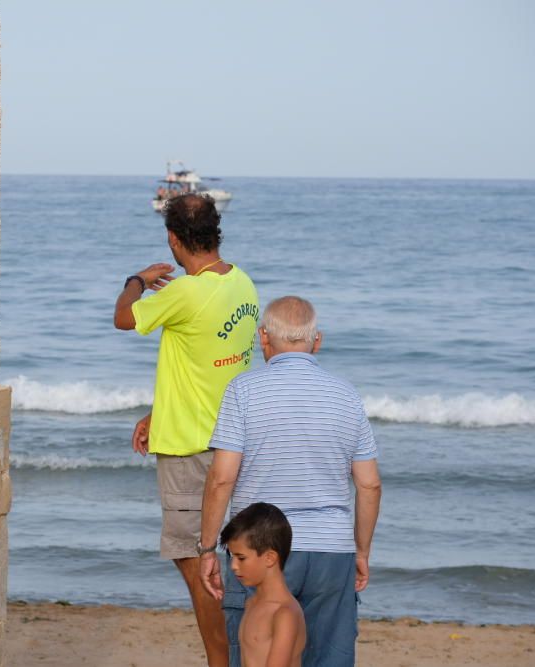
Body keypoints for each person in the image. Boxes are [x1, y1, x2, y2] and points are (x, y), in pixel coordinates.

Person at [114, 193, 259, 666]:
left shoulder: (181, 292)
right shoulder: (243, 284)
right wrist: (159, 413)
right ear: (216, 232)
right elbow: (210, 366)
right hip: (235, 444)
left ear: (174, 240)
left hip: (189, 453)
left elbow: (123, 318)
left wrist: (137, 280)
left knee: (201, 572)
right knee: (239, 565)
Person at [198, 296, 383, 667]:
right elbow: (369, 485)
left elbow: (221, 479)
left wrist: (206, 549)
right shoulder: (346, 395)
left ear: (263, 337)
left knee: (253, 653)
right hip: (331, 549)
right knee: (328, 657)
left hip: (261, 545)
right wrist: (360, 550)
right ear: (317, 340)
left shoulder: (243, 390)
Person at [221, 503, 305, 667]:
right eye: (232, 557)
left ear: (269, 558)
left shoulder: (284, 614)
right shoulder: (252, 603)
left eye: (241, 558)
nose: (233, 566)